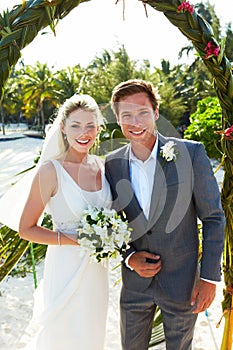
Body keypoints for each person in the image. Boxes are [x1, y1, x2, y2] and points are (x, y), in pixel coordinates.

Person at [105, 79, 225, 350]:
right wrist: (128, 258)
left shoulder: (191, 153)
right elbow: (112, 223)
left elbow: (213, 218)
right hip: (135, 285)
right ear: (117, 119)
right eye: (126, 115)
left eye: (142, 113)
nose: (135, 122)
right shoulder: (112, 164)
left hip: (183, 285)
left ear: (156, 113)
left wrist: (208, 279)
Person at [4, 94, 112, 349]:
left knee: (93, 332)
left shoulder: (103, 167)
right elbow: (26, 229)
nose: (83, 133)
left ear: (98, 128)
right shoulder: (50, 172)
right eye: (75, 125)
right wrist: (73, 239)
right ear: (62, 127)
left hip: (98, 270)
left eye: (89, 126)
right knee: (64, 334)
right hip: (65, 267)